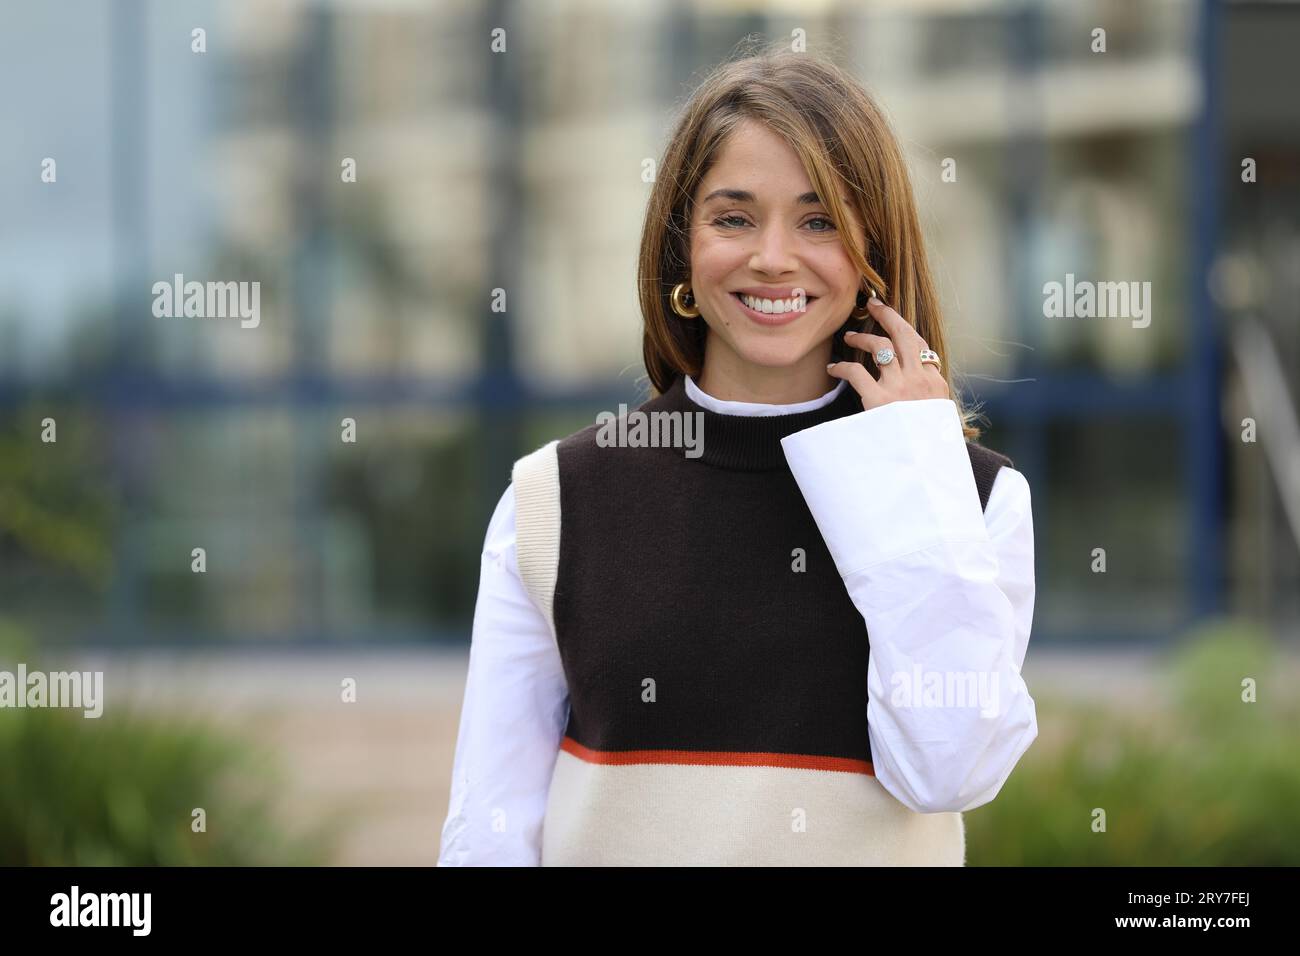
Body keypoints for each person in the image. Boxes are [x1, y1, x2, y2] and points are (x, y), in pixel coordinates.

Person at [438, 44, 1037, 866]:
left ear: (874, 246)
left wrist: (914, 464)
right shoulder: (554, 501)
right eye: (733, 216)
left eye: (819, 219)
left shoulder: (973, 500)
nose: (773, 257)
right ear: (683, 247)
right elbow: (491, 833)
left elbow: (950, 768)